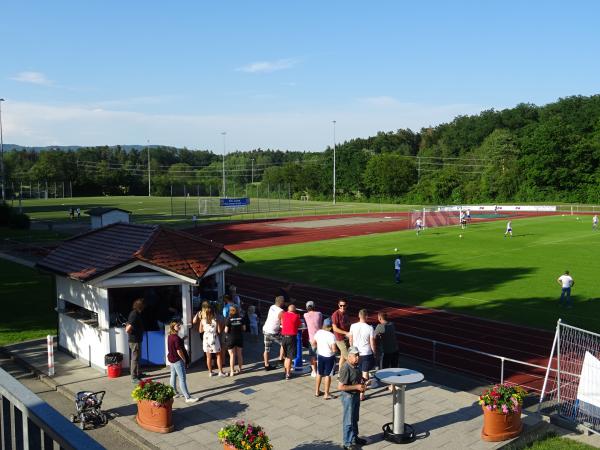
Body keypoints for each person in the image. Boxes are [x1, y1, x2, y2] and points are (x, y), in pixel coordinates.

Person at [338, 346, 368, 450]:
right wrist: (357, 387)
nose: (357, 357)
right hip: (348, 397)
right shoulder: (345, 368)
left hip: (355, 395)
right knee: (348, 421)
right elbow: (340, 387)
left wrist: (364, 380)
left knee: (355, 418)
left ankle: (355, 438)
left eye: (358, 355)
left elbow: (357, 377)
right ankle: (347, 443)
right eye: (355, 355)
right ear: (349, 356)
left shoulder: (356, 365)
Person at [167, 321, 199, 403]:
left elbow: (175, 344)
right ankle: (187, 397)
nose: (179, 326)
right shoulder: (176, 338)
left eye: (179, 325)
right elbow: (179, 350)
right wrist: (184, 359)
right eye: (177, 325)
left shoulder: (170, 336)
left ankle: (174, 393)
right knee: (182, 379)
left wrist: (182, 339)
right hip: (177, 360)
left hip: (172, 359)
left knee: (173, 375)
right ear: (173, 327)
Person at [348, 309, 375, 401]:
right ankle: (362, 395)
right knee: (365, 374)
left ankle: (355, 389)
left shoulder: (353, 326)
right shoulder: (370, 328)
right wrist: (374, 352)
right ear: (366, 316)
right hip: (366, 353)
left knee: (355, 372)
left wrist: (351, 350)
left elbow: (350, 340)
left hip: (355, 352)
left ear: (359, 316)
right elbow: (372, 342)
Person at [197, 303, 226, 377]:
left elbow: (200, 331)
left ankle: (210, 372)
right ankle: (220, 372)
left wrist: (206, 329)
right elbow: (219, 331)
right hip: (214, 338)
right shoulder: (215, 320)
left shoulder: (202, 320)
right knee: (218, 355)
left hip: (206, 339)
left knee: (208, 356)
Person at [312, 318, 337, 400]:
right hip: (329, 357)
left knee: (319, 373)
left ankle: (317, 391)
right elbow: (333, 349)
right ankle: (326, 394)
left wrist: (318, 347)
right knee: (328, 375)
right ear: (330, 327)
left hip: (320, 355)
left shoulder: (319, 332)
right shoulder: (332, 336)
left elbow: (313, 343)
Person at [375, 311, 399, 392]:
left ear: (380, 318)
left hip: (387, 351)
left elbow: (373, 336)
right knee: (394, 368)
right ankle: (394, 385)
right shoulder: (392, 324)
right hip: (395, 350)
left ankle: (390, 385)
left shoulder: (380, 326)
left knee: (385, 370)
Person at [262, 296, 285, 371]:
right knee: (284, 343)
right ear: (281, 303)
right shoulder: (281, 311)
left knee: (266, 349)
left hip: (266, 329)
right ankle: (281, 359)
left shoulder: (272, 306)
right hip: (273, 332)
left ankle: (266, 365)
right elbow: (283, 323)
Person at [125, 298, 145, 383]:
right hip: (134, 340)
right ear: (140, 306)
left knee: (137, 357)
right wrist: (132, 334)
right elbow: (127, 329)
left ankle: (137, 373)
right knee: (135, 358)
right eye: (143, 305)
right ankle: (134, 377)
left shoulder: (136, 313)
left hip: (137, 339)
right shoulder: (134, 315)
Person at [281, 304, 301, 380]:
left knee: (286, 357)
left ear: (288, 310)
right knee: (289, 357)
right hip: (291, 338)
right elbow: (299, 325)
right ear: (294, 310)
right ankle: (288, 374)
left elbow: (282, 323)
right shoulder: (296, 316)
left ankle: (285, 371)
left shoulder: (284, 314)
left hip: (284, 337)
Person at [303, 300, 323, 377]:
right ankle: (320, 370)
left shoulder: (305, 315)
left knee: (312, 356)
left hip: (311, 339)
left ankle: (314, 371)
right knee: (320, 355)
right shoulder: (319, 314)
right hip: (320, 337)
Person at [224, 305, 245, 376]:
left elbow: (226, 330)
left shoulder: (229, 319)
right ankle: (241, 370)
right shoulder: (241, 319)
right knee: (239, 354)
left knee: (232, 355)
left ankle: (232, 371)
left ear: (230, 311)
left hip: (231, 338)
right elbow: (244, 329)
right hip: (239, 338)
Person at [331, 299, 351, 372]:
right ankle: (351, 374)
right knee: (349, 358)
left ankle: (340, 374)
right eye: (341, 305)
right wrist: (346, 333)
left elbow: (348, 324)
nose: (342, 307)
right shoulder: (335, 314)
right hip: (340, 339)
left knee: (342, 357)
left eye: (344, 305)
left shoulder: (346, 313)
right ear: (338, 305)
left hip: (346, 338)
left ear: (346, 306)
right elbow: (335, 328)